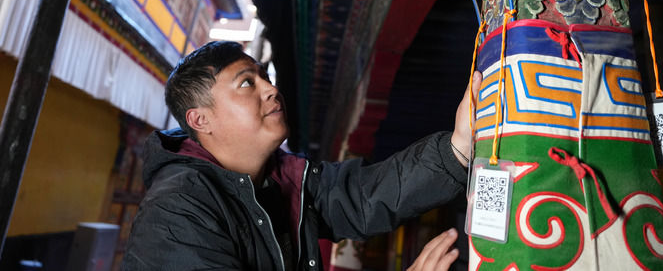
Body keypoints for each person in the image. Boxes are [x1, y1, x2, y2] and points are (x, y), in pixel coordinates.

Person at [121, 41, 481, 271]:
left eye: (265, 77)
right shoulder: (176, 211)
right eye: (247, 83)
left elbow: (362, 195)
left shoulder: (285, 179)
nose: (271, 89)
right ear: (201, 120)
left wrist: (458, 147)